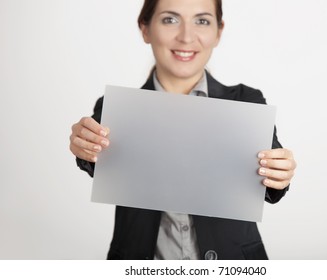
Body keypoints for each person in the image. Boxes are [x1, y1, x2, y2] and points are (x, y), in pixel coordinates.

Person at [69, 0, 296, 260]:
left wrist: (279, 172)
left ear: (218, 32)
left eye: (202, 21)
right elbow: (95, 160)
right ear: (145, 29)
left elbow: (269, 185)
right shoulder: (115, 109)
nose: (187, 37)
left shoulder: (246, 102)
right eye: (170, 19)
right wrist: (84, 145)